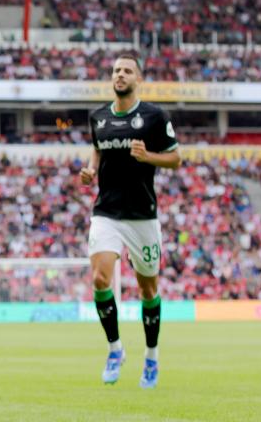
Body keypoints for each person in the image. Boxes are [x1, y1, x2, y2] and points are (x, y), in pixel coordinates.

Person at [80, 52, 181, 389]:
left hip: (142, 215)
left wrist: (147, 156)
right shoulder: (98, 117)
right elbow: (97, 147)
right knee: (99, 279)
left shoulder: (154, 116)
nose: (120, 75)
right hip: (106, 211)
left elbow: (176, 159)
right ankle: (115, 349)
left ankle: (151, 356)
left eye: (127, 71)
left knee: (147, 289)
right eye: (116, 71)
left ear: (139, 79)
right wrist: (90, 169)